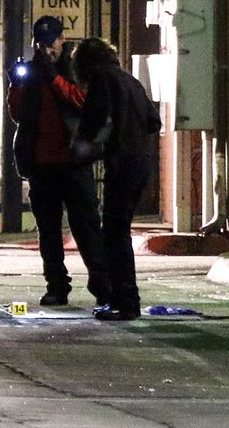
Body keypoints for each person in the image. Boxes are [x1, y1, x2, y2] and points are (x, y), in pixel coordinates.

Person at [7, 15, 111, 307]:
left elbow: (82, 101)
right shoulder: (31, 73)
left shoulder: (73, 70)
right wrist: (15, 85)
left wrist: (54, 79)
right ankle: (57, 286)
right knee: (49, 232)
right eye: (41, 44)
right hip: (41, 166)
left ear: (61, 40)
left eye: (51, 43)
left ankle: (103, 286)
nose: (47, 50)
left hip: (73, 162)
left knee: (87, 227)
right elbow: (18, 114)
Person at [71, 37, 161, 321]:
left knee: (114, 232)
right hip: (141, 161)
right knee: (118, 229)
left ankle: (125, 301)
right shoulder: (130, 81)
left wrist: (82, 144)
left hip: (122, 162)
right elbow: (154, 121)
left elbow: (95, 118)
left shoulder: (101, 79)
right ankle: (124, 299)